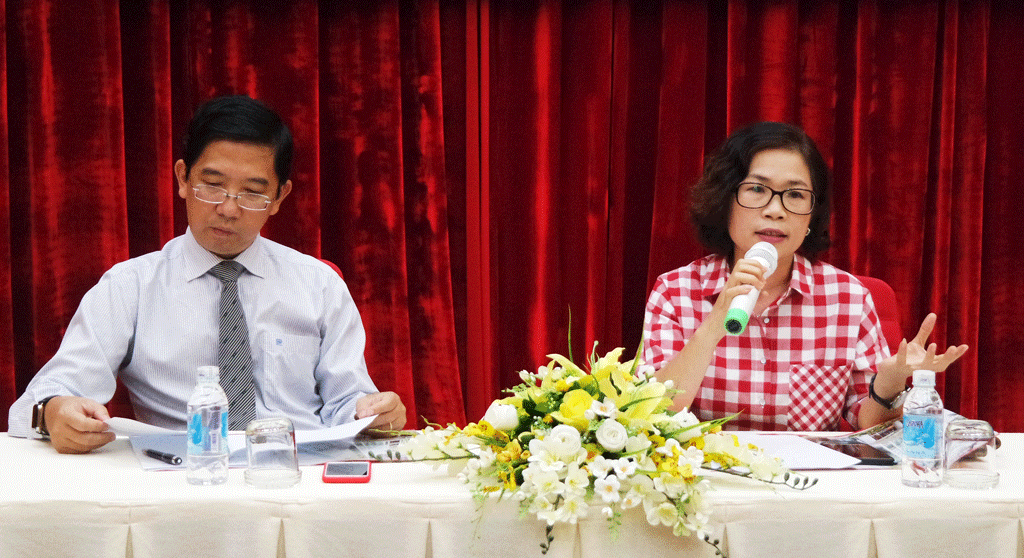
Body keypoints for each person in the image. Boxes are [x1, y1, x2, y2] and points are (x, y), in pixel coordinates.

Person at [8, 95, 406, 453]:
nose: (229, 209)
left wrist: (372, 413)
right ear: (183, 178)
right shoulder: (131, 287)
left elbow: (347, 403)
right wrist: (54, 412)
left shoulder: (319, 285)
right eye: (212, 185)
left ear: (279, 197)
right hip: (182, 478)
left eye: (252, 192)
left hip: (299, 472)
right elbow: (46, 397)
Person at [642, 121, 968, 431]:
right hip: (707, 471)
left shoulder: (848, 298)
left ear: (813, 215)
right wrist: (714, 323)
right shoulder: (675, 291)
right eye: (757, 189)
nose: (775, 210)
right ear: (725, 201)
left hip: (812, 472)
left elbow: (868, 424)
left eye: (795, 195)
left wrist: (891, 381)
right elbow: (654, 414)